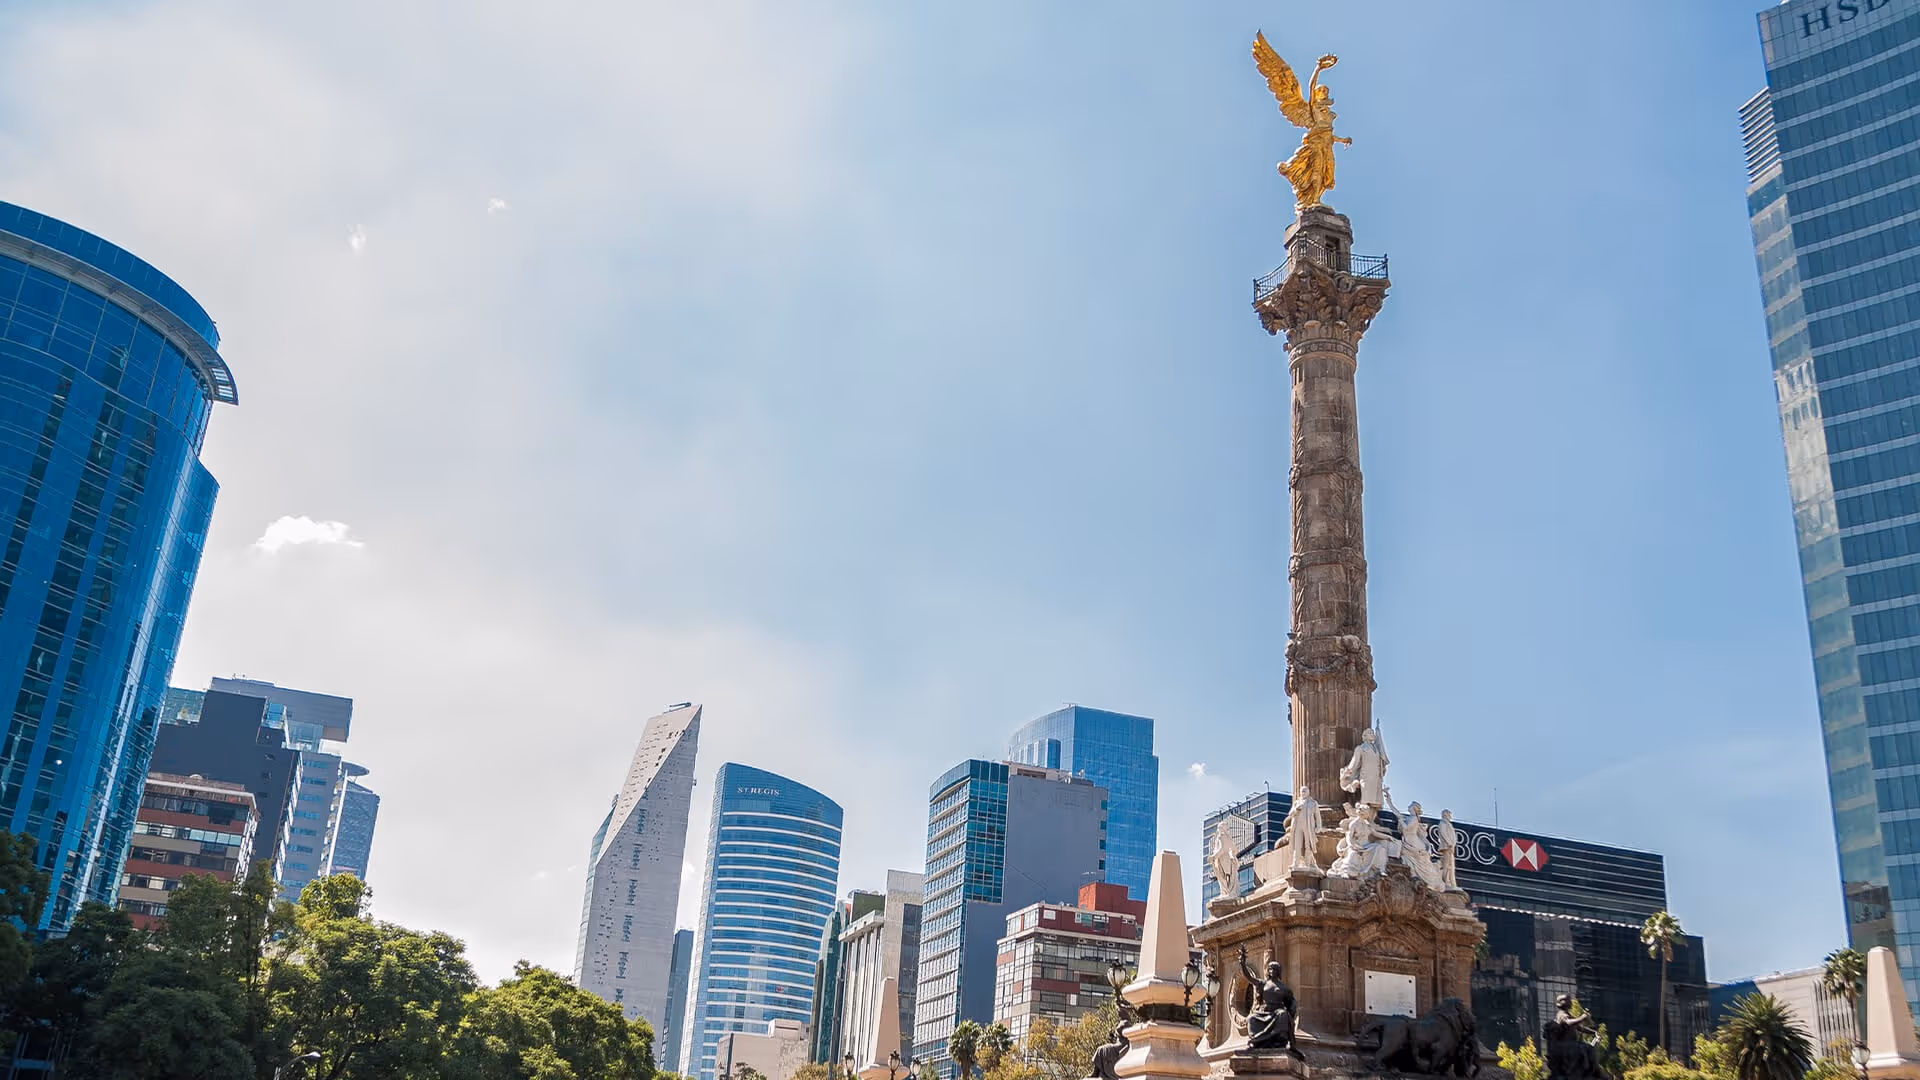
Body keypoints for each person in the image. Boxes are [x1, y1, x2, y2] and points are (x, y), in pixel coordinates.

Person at [1236, 945, 1298, 1053]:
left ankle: (1280, 1040)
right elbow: (1249, 977)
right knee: (1251, 1018)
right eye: (1270, 969)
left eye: (1274, 969)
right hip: (1265, 1012)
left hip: (1277, 1011)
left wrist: (1291, 1011)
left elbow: (1291, 1002)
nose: (1271, 971)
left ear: (1278, 971)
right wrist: (1242, 964)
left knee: (1282, 1014)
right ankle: (1255, 1041)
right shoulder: (1263, 984)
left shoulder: (1283, 988)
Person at [1338, 727, 1389, 807]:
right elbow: (1355, 762)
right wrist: (1348, 771)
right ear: (1364, 736)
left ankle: (1371, 817)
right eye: (1370, 733)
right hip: (1366, 776)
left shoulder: (1377, 749)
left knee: (1376, 802)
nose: (1372, 735)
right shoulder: (1360, 748)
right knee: (1365, 799)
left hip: (1376, 777)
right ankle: (1362, 815)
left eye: (1373, 733)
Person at [1282, 786, 1322, 872]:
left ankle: (1307, 864)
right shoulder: (1296, 803)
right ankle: (1295, 863)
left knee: (1308, 845)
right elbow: (1291, 814)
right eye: (1302, 791)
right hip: (1298, 826)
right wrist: (1296, 810)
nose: (1303, 793)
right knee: (1297, 845)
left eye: (1305, 791)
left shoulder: (1313, 803)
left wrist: (1318, 827)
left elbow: (1317, 816)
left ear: (1308, 792)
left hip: (1308, 826)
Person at [1435, 810, 1459, 890]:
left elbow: (1453, 837)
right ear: (1445, 815)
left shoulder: (1449, 824)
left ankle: (1452, 883)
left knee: (1451, 866)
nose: (1450, 816)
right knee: (1446, 865)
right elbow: (1443, 833)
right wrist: (1449, 843)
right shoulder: (1442, 823)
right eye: (1449, 814)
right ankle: (1445, 882)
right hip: (1446, 847)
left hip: (1451, 848)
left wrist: (1453, 844)